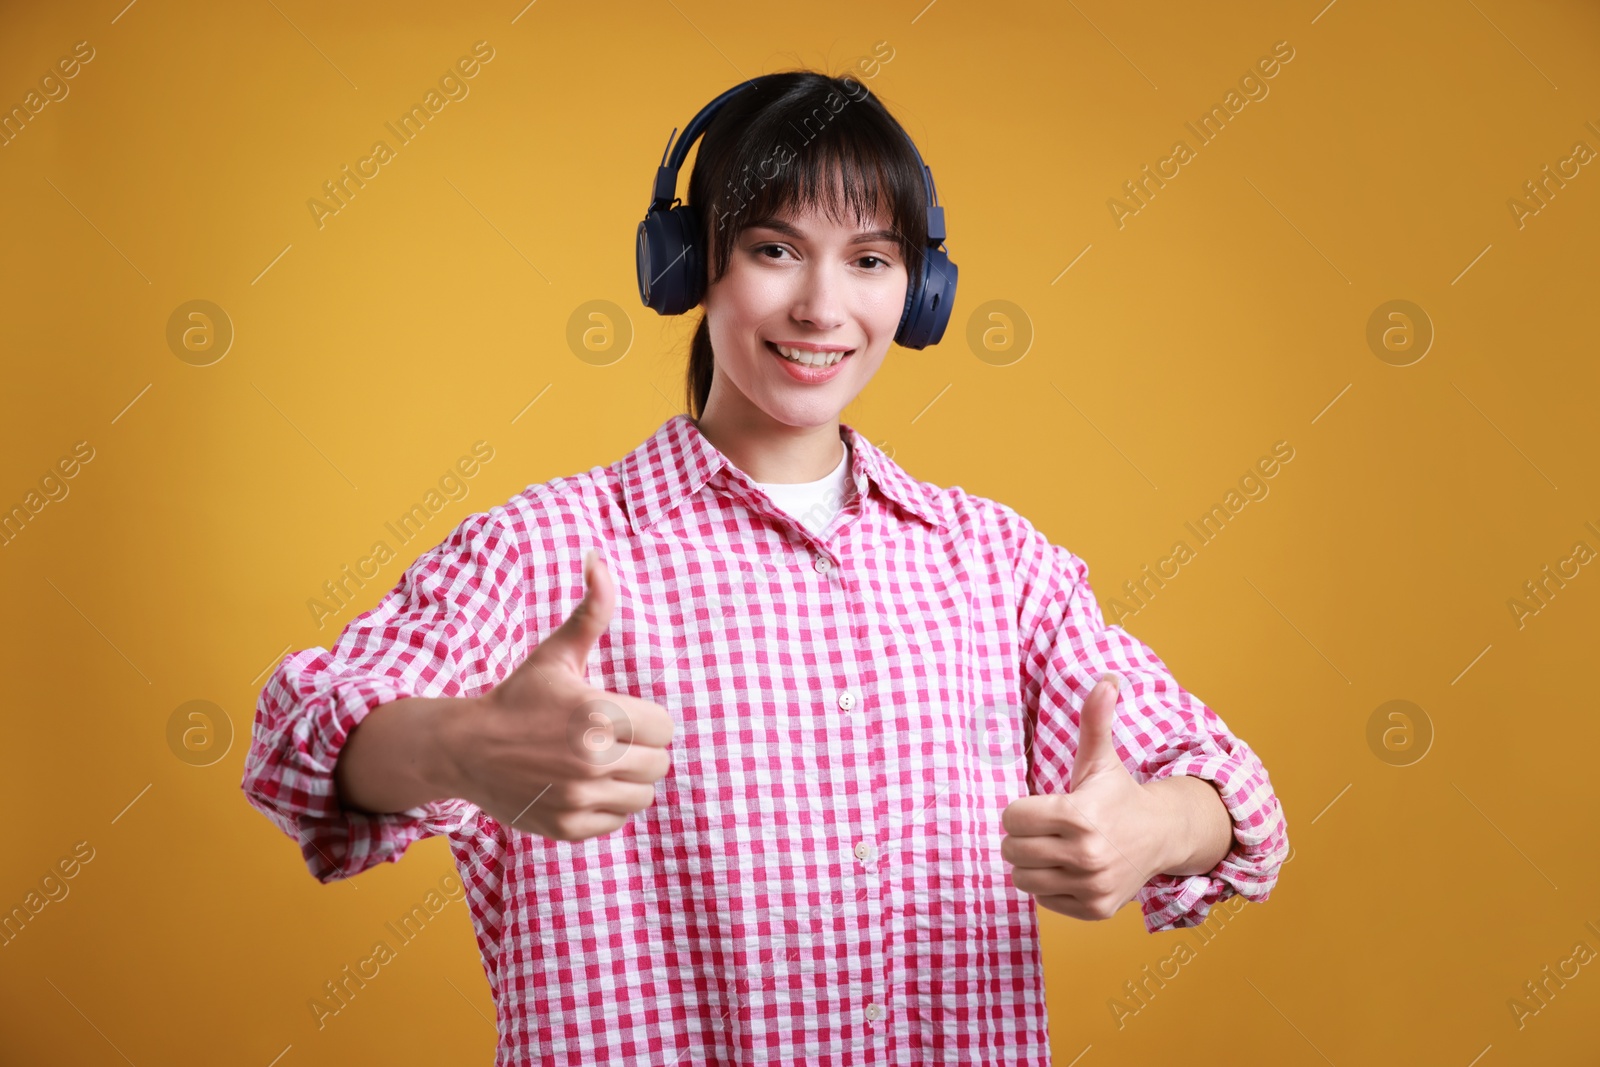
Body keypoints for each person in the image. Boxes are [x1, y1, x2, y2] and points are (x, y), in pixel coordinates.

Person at [241, 70, 1289, 1065]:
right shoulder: (542, 550)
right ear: (689, 263)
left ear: (916, 294)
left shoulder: (997, 565)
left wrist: (1151, 827)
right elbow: (298, 733)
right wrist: (460, 746)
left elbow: (1239, 805)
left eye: (870, 259)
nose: (821, 308)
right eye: (775, 248)